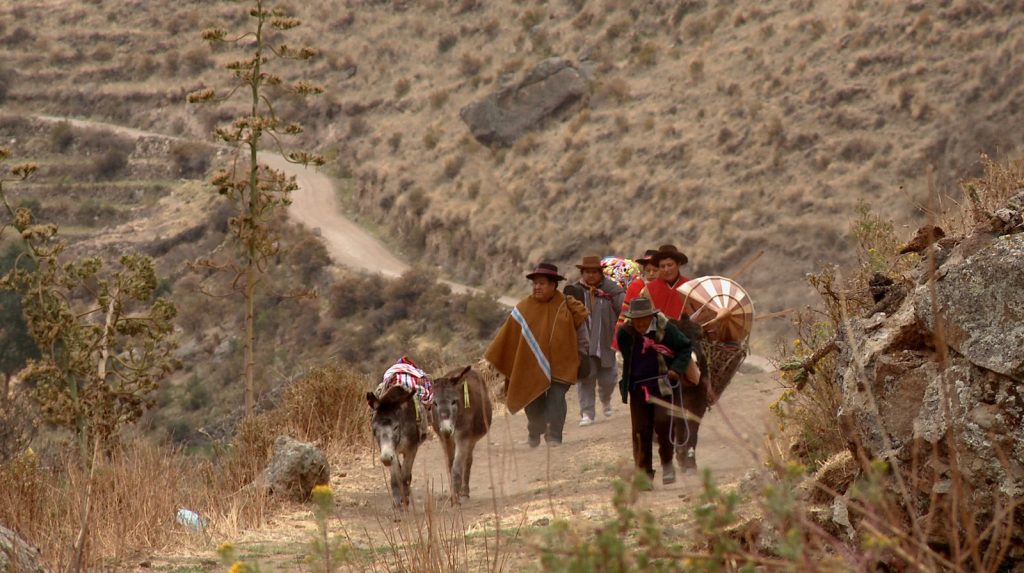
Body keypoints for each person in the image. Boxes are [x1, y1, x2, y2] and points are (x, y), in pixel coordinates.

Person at [485, 263, 589, 447]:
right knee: (532, 399)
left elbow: (582, 331)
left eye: (541, 283)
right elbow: (508, 336)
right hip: (530, 365)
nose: (537, 287)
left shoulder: (568, 305)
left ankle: (554, 436)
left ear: (553, 285)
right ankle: (534, 431)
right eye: (535, 283)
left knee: (556, 398)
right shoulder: (524, 308)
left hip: (562, 363)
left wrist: (582, 353)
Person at [616, 297, 694, 486]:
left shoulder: (665, 328)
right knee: (641, 430)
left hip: (663, 385)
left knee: (663, 423)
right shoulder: (625, 333)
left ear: (651, 316)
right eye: (637, 320)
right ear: (631, 319)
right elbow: (627, 358)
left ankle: (667, 462)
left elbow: (685, 346)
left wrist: (676, 369)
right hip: (638, 388)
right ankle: (644, 474)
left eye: (644, 319)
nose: (641, 324)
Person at [563, 255, 625, 425]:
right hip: (585, 344)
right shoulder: (574, 291)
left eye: (594, 272)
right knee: (586, 379)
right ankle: (587, 413)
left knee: (609, 379)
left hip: (606, 342)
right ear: (582, 273)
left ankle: (606, 400)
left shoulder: (612, 290)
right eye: (587, 272)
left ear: (600, 273)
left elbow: (624, 308)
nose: (590, 275)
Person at [646, 244, 691, 320]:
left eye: (670, 265)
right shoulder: (648, 290)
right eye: (662, 266)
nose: (666, 270)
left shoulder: (689, 287)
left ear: (678, 264)